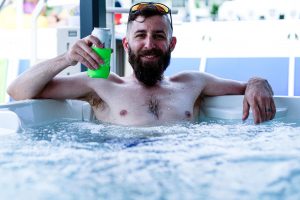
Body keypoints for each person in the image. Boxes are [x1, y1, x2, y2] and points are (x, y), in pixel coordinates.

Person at [7, 2, 276, 126]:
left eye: (159, 36)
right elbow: (18, 91)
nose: (149, 44)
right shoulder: (100, 85)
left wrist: (258, 82)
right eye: (140, 35)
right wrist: (66, 58)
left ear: (171, 44)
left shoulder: (194, 83)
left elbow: (249, 86)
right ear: (126, 44)